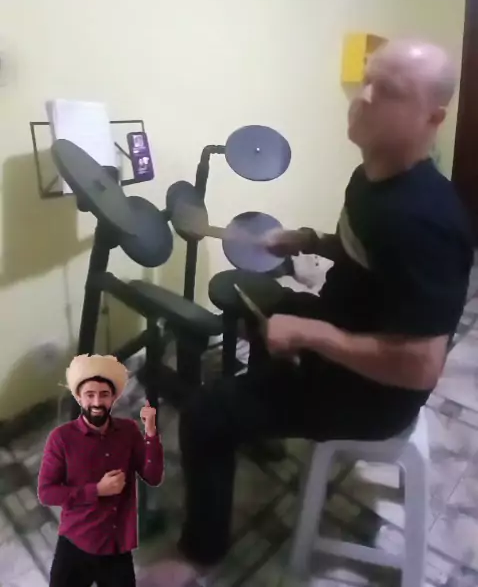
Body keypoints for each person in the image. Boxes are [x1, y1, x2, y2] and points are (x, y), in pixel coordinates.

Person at [155, 38, 473, 587]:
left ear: (433, 117)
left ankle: (196, 557)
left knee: (206, 414)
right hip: (344, 329)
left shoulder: (425, 221)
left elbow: (421, 365)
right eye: (366, 81)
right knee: (268, 304)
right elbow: (364, 252)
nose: (363, 97)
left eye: (389, 91)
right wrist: (307, 240)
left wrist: (313, 335)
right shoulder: (369, 179)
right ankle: (265, 424)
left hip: (372, 396)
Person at [38, 353, 164, 587]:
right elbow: (46, 493)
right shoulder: (61, 439)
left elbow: (153, 476)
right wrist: (96, 490)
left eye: (104, 395)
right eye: (90, 395)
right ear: (79, 398)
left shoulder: (128, 431)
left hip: (116, 545)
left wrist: (151, 433)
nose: (97, 402)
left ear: (113, 398)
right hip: (76, 540)